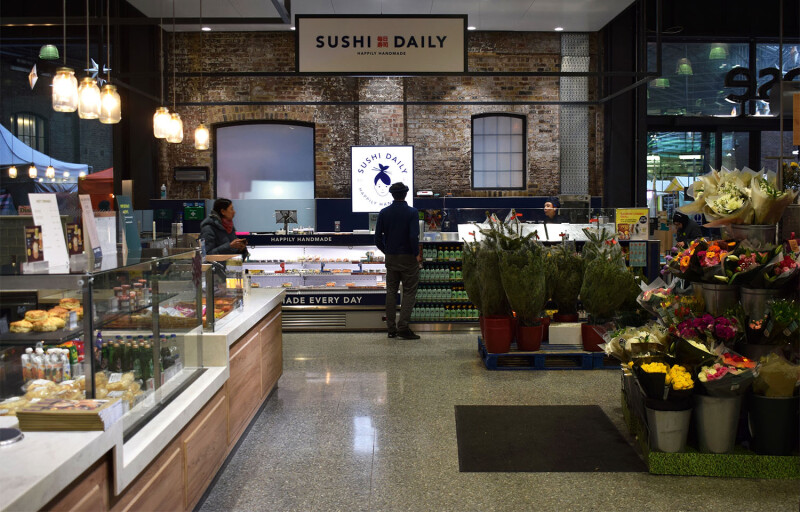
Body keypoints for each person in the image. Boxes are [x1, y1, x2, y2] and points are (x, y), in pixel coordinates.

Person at [375, 182, 421, 340]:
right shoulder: (412, 212)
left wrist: (386, 251)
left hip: (391, 258)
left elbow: (377, 238)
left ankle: (391, 329)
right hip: (408, 257)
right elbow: (413, 236)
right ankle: (403, 327)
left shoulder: (384, 212)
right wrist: (416, 254)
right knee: (408, 292)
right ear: (406, 194)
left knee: (391, 292)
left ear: (392, 194)